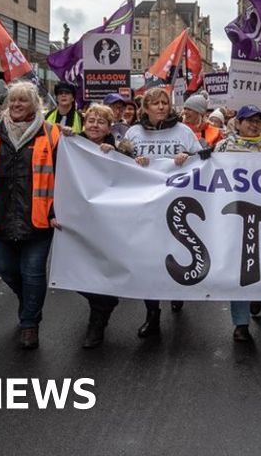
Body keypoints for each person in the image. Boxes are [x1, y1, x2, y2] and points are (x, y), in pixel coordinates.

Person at [0, 81, 61, 349]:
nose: (15, 105)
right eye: (12, 101)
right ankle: (28, 302)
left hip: (37, 218)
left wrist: (57, 210)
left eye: (22, 101)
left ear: (35, 105)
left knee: (33, 272)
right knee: (7, 270)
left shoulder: (51, 133)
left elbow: (66, 176)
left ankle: (30, 324)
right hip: (0, 216)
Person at [123, 87, 203, 337]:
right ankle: (152, 313)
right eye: (155, 103)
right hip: (145, 207)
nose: (160, 107)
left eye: (164, 103)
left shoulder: (184, 131)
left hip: (177, 205)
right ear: (145, 108)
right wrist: (131, 161)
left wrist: (188, 155)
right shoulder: (134, 133)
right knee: (149, 260)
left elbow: (204, 158)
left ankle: (176, 291)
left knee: (176, 253)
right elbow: (119, 163)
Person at [213, 105, 261, 342]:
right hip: (234, 215)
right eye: (248, 120)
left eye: (258, 121)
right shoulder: (223, 147)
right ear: (237, 123)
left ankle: (257, 293)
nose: (254, 125)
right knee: (238, 268)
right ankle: (241, 323)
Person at [75, 104, 128, 348]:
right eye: (91, 120)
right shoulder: (71, 145)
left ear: (109, 127)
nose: (94, 125)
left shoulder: (119, 148)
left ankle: (97, 322)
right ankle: (104, 303)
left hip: (110, 222)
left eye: (101, 122)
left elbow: (134, 174)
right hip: (80, 219)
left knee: (102, 269)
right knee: (76, 272)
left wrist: (116, 153)